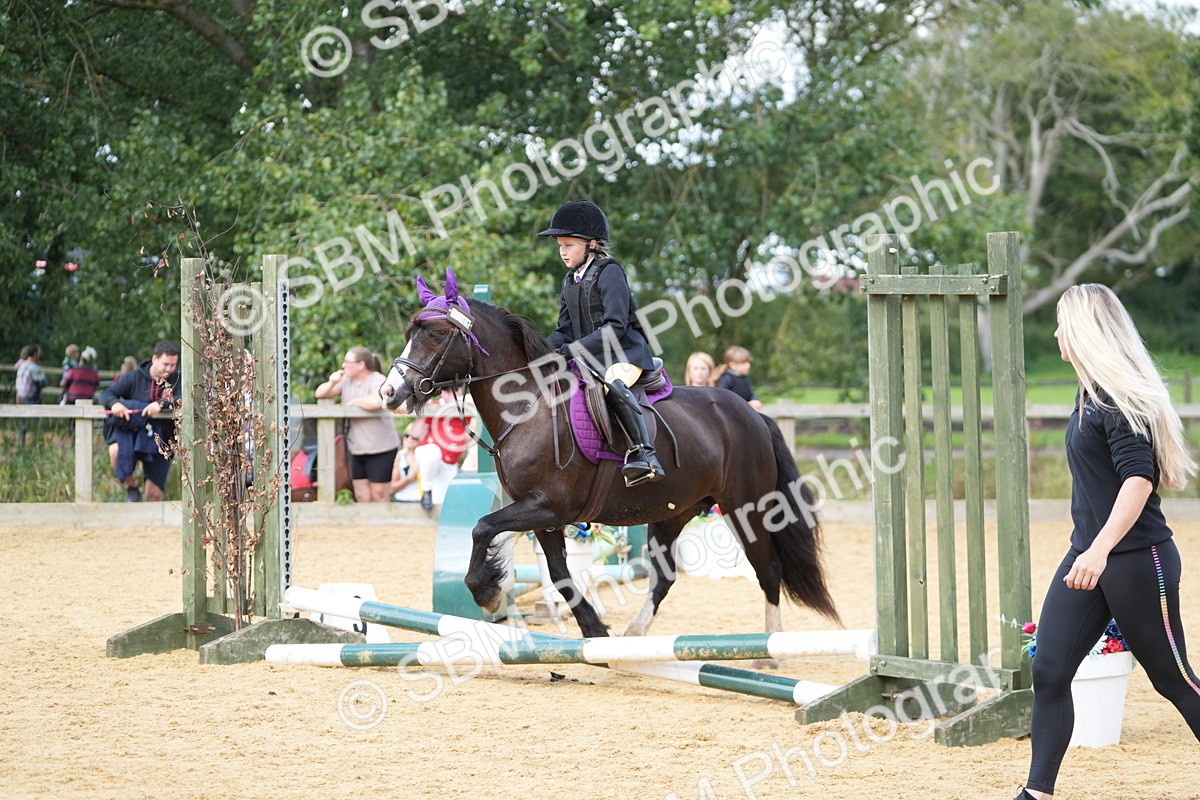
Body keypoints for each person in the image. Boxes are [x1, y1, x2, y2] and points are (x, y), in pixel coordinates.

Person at [1013, 284, 1200, 800]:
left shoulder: (1116, 399)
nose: (1055, 333)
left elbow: (1138, 481)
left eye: (1061, 323)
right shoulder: (1089, 394)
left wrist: (1098, 551)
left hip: (1138, 559)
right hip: (1089, 556)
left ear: (1082, 331)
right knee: (1050, 668)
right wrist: (1089, 551)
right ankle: (1037, 794)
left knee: (1173, 680)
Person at [539, 199, 664, 486]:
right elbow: (564, 331)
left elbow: (616, 327)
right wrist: (540, 350)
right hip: (592, 358)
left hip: (625, 354)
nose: (562, 251)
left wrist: (572, 350)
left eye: (569, 245)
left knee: (613, 383)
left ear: (591, 244)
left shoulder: (609, 272)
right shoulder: (570, 280)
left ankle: (645, 454)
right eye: (560, 245)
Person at [315, 346, 400, 503]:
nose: (343, 365)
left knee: (378, 495)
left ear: (361, 365)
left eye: (348, 362)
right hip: (357, 448)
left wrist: (354, 402)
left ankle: (382, 520)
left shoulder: (378, 379)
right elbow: (320, 394)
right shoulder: (346, 380)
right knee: (362, 496)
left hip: (380, 448)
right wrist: (332, 382)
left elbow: (376, 402)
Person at [100, 340, 182, 502]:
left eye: (173, 365)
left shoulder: (178, 379)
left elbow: (184, 398)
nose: (169, 369)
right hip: (133, 435)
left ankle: (150, 517)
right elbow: (107, 394)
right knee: (115, 451)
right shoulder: (134, 377)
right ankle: (131, 488)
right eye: (166, 364)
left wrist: (161, 404)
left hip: (163, 439)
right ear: (154, 359)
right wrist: (115, 404)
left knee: (154, 495)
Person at [15, 344, 47, 447]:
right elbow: (43, 382)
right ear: (34, 354)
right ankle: (36, 443)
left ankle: (22, 444)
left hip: (21, 396)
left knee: (23, 421)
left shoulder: (22, 366)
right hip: (32, 397)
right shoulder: (35, 368)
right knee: (35, 422)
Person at [713, 346, 763, 411]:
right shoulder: (726, 378)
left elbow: (750, 394)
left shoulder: (744, 378)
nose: (748, 365)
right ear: (733, 365)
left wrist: (755, 400)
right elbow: (720, 396)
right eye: (744, 363)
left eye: (748, 362)